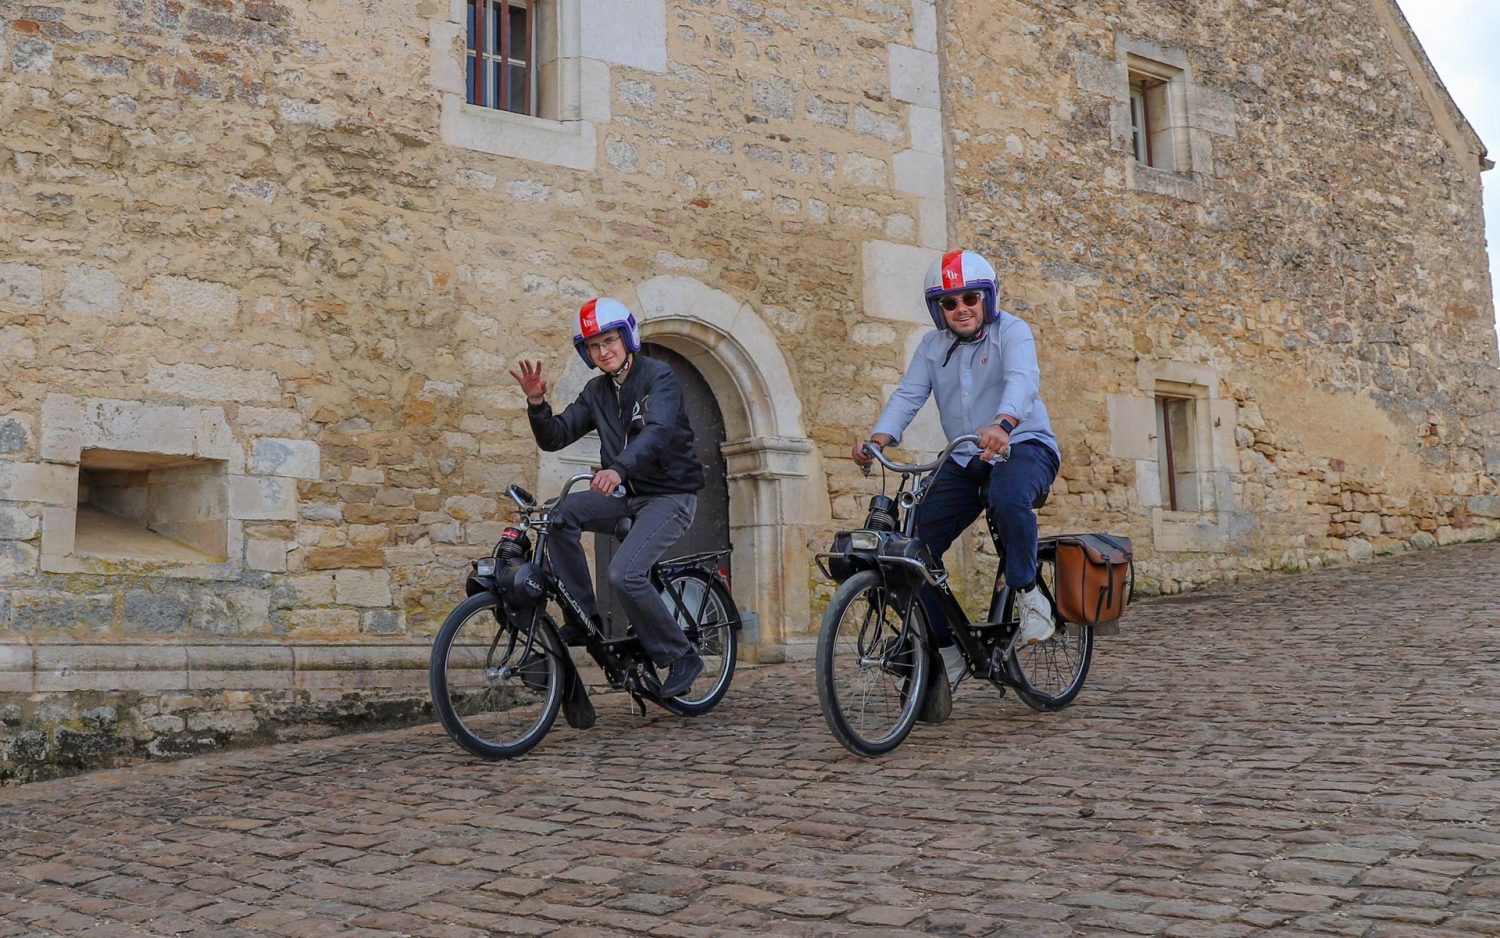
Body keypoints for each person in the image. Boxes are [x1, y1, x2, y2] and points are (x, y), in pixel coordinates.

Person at [853, 249, 1062, 690]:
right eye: (949, 302)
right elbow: (909, 395)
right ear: (938, 309)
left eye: (969, 298)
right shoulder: (932, 347)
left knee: (1008, 498)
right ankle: (947, 646)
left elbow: (1022, 380)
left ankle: (1028, 593)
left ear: (987, 298)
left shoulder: (1012, 332)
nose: (961, 308)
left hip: (1024, 446)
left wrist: (1003, 424)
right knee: (912, 548)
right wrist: (878, 440)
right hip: (965, 457)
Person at [509, 297, 706, 699]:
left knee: (624, 573)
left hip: (670, 496)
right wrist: (536, 403)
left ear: (627, 338)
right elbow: (556, 436)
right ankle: (584, 617)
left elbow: (657, 431)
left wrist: (619, 468)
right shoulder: (596, 392)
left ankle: (681, 655)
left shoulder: (659, 377)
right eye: (595, 346)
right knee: (559, 516)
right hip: (626, 496)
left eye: (611, 341)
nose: (604, 351)